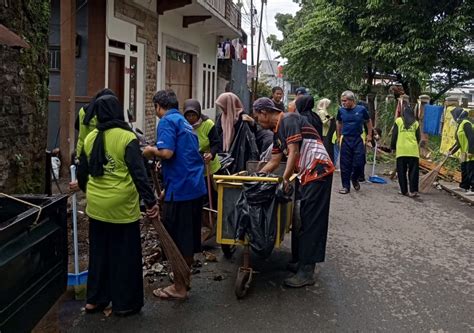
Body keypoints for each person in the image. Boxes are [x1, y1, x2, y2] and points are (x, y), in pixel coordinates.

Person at [70, 94, 158, 316]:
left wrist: (87, 189)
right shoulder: (126, 138)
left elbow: (82, 172)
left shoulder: (90, 138)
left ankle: (95, 300)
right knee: (124, 255)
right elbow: (139, 174)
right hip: (121, 209)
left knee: (99, 253)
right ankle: (124, 304)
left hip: (96, 206)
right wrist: (151, 202)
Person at [253, 97, 334, 288]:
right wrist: (256, 177)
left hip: (318, 171)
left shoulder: (288, 120)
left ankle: (307, 271)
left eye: (257, 117)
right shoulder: (277, 133)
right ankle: (302, 261)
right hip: (306, 174)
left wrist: (286, 179)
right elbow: (273, 161)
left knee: (311, 220)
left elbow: (294, 151)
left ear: (264, 112)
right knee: (301, 219)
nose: (258, 121)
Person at [143, 90, 206, 300]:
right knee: (187, 238)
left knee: (177, 239)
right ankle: (183, 279)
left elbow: (167, 152)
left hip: (182, 190)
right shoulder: (184, 123)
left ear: (159, 106)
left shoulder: (167, 121)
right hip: (194, 186)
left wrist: (151, 151)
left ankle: (179, 287)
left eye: (155, 109)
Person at [183, 99, 221, 236]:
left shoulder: (208, 125)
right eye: (188, 115)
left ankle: (215, 222)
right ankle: (201, 223)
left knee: (213, 195)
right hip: (193, 167)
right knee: (199, 197)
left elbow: (217, 143)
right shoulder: (183, 126)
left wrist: (211, 153)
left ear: (198, 113)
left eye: (193, 115)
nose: (191, 119)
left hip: (209, 166)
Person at [336, 90, 373, 194]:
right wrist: (338, 137)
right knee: (345, 164)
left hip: (357, 139)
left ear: (352, 100)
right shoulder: (341, 111)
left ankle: (355, 178)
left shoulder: (361, 110)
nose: (343, 103)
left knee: (360, 162)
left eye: (345, 101)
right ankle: (345, 186)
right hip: (346, 139)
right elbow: (339, 122)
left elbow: (368, 121)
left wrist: (370, 135)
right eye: (342, 101)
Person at [390, 105, 421, 197]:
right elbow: (418, 138)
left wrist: (392, 147)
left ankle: (404, 191)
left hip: (401, 150)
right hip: (413, 151)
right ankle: (413, 191)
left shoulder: (399, 121)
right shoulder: (415, 123)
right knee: (413, 172)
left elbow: (394, 135)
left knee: (401, 172)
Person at [75, 88, 115, 157]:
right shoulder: (102, 114)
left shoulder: (82, 110)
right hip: (95, 152)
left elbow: (76, 126)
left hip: (81, 150)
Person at [449, 107, 474, 193]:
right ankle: (464, 186)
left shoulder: (466, 123)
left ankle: (473, 189)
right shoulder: (460, 124)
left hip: (471, 150)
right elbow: (459, 142)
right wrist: (451, 151)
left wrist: (471, 151)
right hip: (464, 152)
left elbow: (471, 137)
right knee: (464, 169)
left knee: (471, 169)